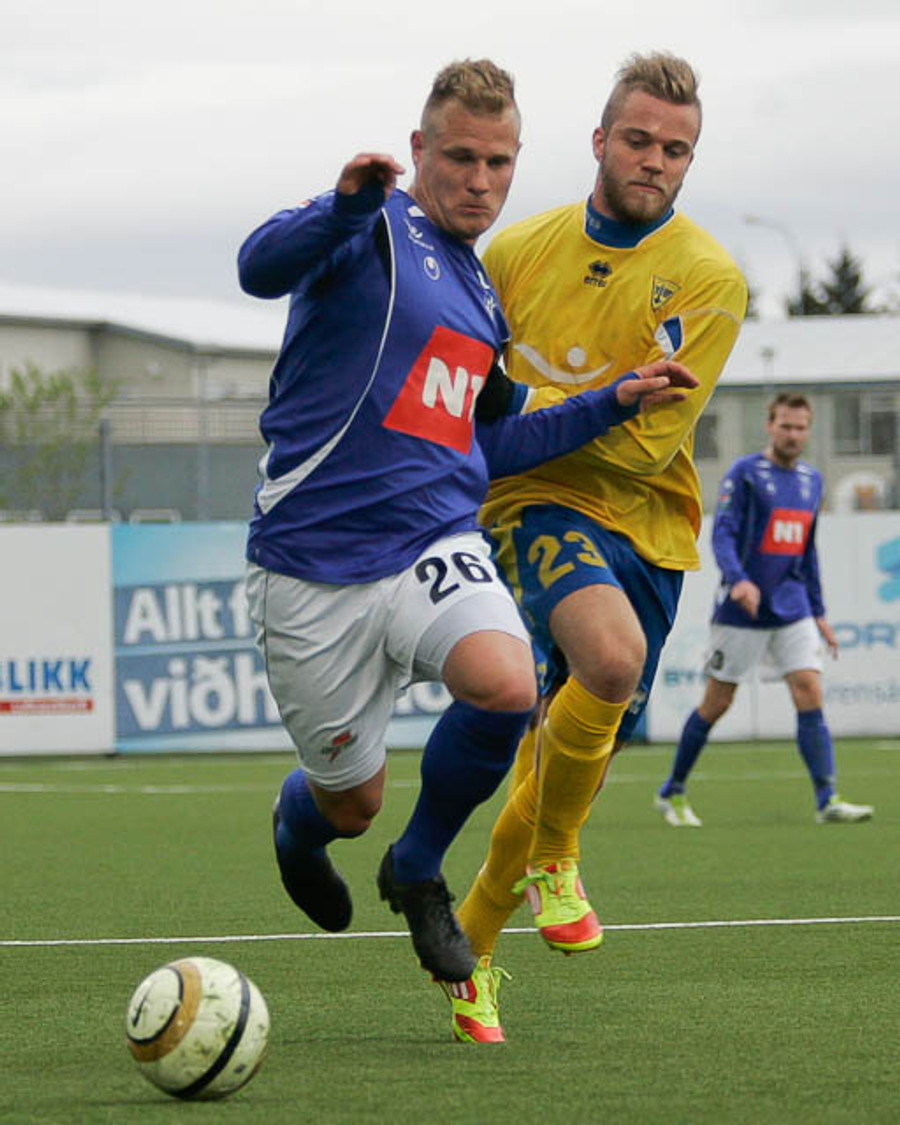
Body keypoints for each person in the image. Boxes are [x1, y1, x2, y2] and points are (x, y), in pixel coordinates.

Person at [237, 59, 695, 984]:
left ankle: (418, 867)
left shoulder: (483, 296)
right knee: (352, 802)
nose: (480, 181)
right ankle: (298, 827)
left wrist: (613, 400)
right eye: (460, 158)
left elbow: (491, 442)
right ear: (419, 150)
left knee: (508, 683)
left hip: (432, 542)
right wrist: (342, 207)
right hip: (314, 563)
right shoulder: (369, 227)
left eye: (499, 162)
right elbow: (258, 267)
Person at [436, 51, 748, 1041]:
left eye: (676, 150)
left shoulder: (708, 280)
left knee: (556, 767)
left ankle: (471, 951)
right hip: (532, 500)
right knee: (609, 660)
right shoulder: (517, 253)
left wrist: (532, 407)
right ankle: (558, 861)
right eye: (640, 140)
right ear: (601, 140)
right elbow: (465, 396)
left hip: (651, 526)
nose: (656, 160)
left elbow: (650, 445)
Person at [656, 393, 874, 828]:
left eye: (800, 427)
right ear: (770, 426)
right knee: (718, 701)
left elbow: (807, 551)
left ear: (808, 431)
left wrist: (819, 612)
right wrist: (739, 580)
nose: (793, 435)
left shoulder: (812, 481)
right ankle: (673, 790)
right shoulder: (746, 474)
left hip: (792, 607)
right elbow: (723, 534)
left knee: (809, 689)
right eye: (785, 426)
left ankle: (827, 798)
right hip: (742, 611)